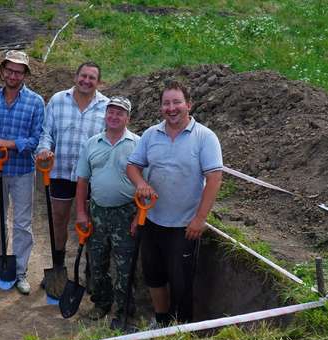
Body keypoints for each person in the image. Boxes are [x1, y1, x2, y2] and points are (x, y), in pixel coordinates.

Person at [126, 81, 223, 326]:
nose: (171, 108)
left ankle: (181, 329)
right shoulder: (151, 135)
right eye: (166, 103)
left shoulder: (205, 137)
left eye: (177, 102)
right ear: (161, 107)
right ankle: (161, 320)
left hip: (184, 226)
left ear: (188, 104)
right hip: (152, 220)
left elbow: (214, 178)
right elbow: (132, 166)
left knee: (181, 282)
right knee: (154, 276)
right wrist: (140, 183)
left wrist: (199, 219)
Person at [0, 51, 44, 294]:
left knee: (22, 222)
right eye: (10, 70)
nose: (13, 75)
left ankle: (20, 270)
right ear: (2, 71)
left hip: (23, 171)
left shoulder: (35, 102)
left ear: (25, 74)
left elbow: (36, 139)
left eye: (19, 72)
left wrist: (9, 144)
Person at [35, 62, 109, 289]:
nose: (86, 81)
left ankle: (91, 271)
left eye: (92, 78)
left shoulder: (106, 106)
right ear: (75, 77)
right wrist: (44, 149)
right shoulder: (58, 100)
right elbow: (46, 133)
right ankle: (58, 268)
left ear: (99, 82)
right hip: (61, 171)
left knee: (90, 222)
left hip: (91, 177)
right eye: (83, 76)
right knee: (59, 219)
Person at [74, 96, 140, 325]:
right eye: (110, 112)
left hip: (126, 214)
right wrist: (81, 213)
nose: (114, 116)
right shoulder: (92, 143)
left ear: (128, 118)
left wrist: (139, 217)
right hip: (98, 213)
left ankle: (124, 309)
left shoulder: (138, 144)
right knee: (97, 262)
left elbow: (146, 184)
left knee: (125, 265)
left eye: (119, 113)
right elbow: (82, 180)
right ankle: (101, 302)